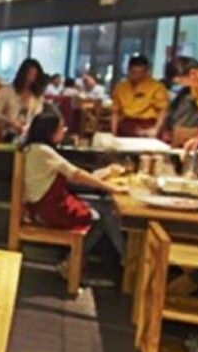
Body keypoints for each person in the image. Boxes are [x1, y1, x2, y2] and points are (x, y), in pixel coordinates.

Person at [22, 111, 124, 276]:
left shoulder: (33, 148)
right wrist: (110, 188)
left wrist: (106, 172)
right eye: (61, 128)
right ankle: (123, 260)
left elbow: (75, 176)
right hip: (50, 210)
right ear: (51, 131)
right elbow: (77, 176)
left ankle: (73, 261)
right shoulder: (43, 151)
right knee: (104, 215)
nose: (65, 130)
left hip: (44, 206)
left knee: (103, 208)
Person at [110, 55, 168, 138]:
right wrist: (113, 133)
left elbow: (163, 110)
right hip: (127, 123)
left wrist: (156, 129)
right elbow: (114, 112)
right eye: (134, 72)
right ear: (128, 70)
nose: (138, 76)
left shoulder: (157, 87)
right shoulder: (120, 88)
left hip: (148, 124)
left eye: (141, 73)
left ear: (147, 71)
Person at [0, 58, 47, 142]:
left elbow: (37, 117)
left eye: (34, 75)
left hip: (27, 137)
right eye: (29, 74)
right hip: (4, 135)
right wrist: (11, 123)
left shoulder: (38, 97)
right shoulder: (7, 91)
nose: (30, 78)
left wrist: (27, 127)